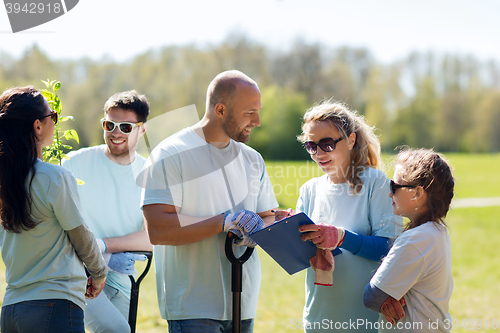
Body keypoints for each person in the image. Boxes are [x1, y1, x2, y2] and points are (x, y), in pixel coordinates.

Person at [140, 70, 278, 333]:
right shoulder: (170, 154)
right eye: (250, 112)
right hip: (193, 307)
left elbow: (267, 215)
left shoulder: (252, 159)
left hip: (244, 303)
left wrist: (261, 229)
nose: (258, 121)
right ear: (221, 109)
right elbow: (157, 229)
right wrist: (224, 222)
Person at [0, 86, 107, 332]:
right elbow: (80, 235)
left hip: (11, 310)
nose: (54, 123)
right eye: (53, 116)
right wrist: (99, 273)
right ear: (37, 126)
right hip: (54, 306)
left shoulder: (3, 184)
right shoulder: (54, 178)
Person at [290, 100, 403, 332]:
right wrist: (287, 232)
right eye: (311, 146)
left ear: (350, 140)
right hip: (318, 319)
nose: (319, 153)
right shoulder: (309, 190)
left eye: (327, 144)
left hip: (365, 321)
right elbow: (298, 256)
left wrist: (342, 237)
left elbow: (391, 249)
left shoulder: (376, 183)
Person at [62, 90, 153, 333]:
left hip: (123, 276)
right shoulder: (73, 163)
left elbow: (153, 237)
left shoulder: (150, 174)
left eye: (125, 127)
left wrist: (103, 246)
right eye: (109, 124)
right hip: (79, 274)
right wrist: (96, 252)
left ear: (141, 129)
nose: (115, 132)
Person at [363, 148, 454, 332]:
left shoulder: (415, 240)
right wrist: (389, 296)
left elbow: (371, 298)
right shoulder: (436, 231)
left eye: (394, 186)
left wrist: (385, 297)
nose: (390, 193)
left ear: (417, 193)